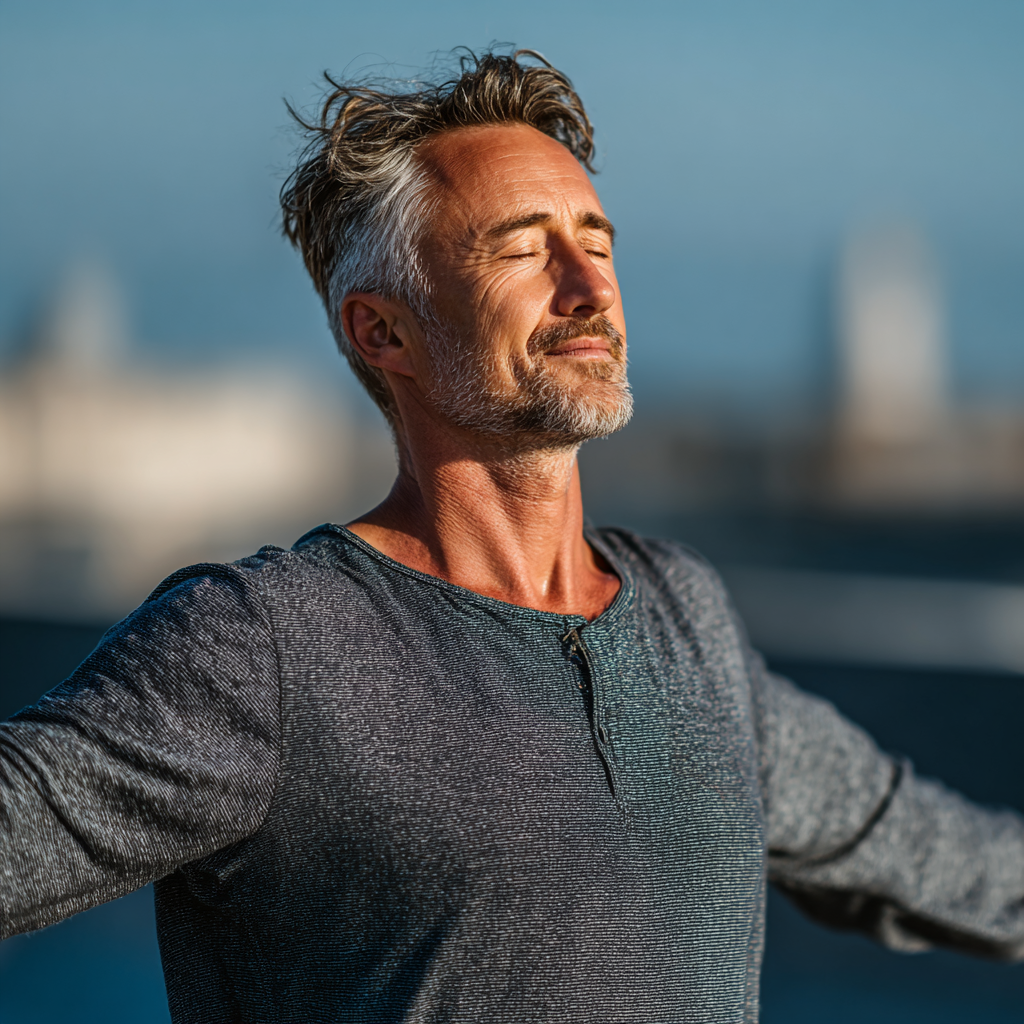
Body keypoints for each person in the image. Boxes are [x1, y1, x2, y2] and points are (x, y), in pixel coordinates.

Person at [1, 49, 1023, 1024]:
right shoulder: (264, 647)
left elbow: (933, 854)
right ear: (383, 331)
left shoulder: (683, 617)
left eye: (599, 242)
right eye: (527, 250)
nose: (591, 289)